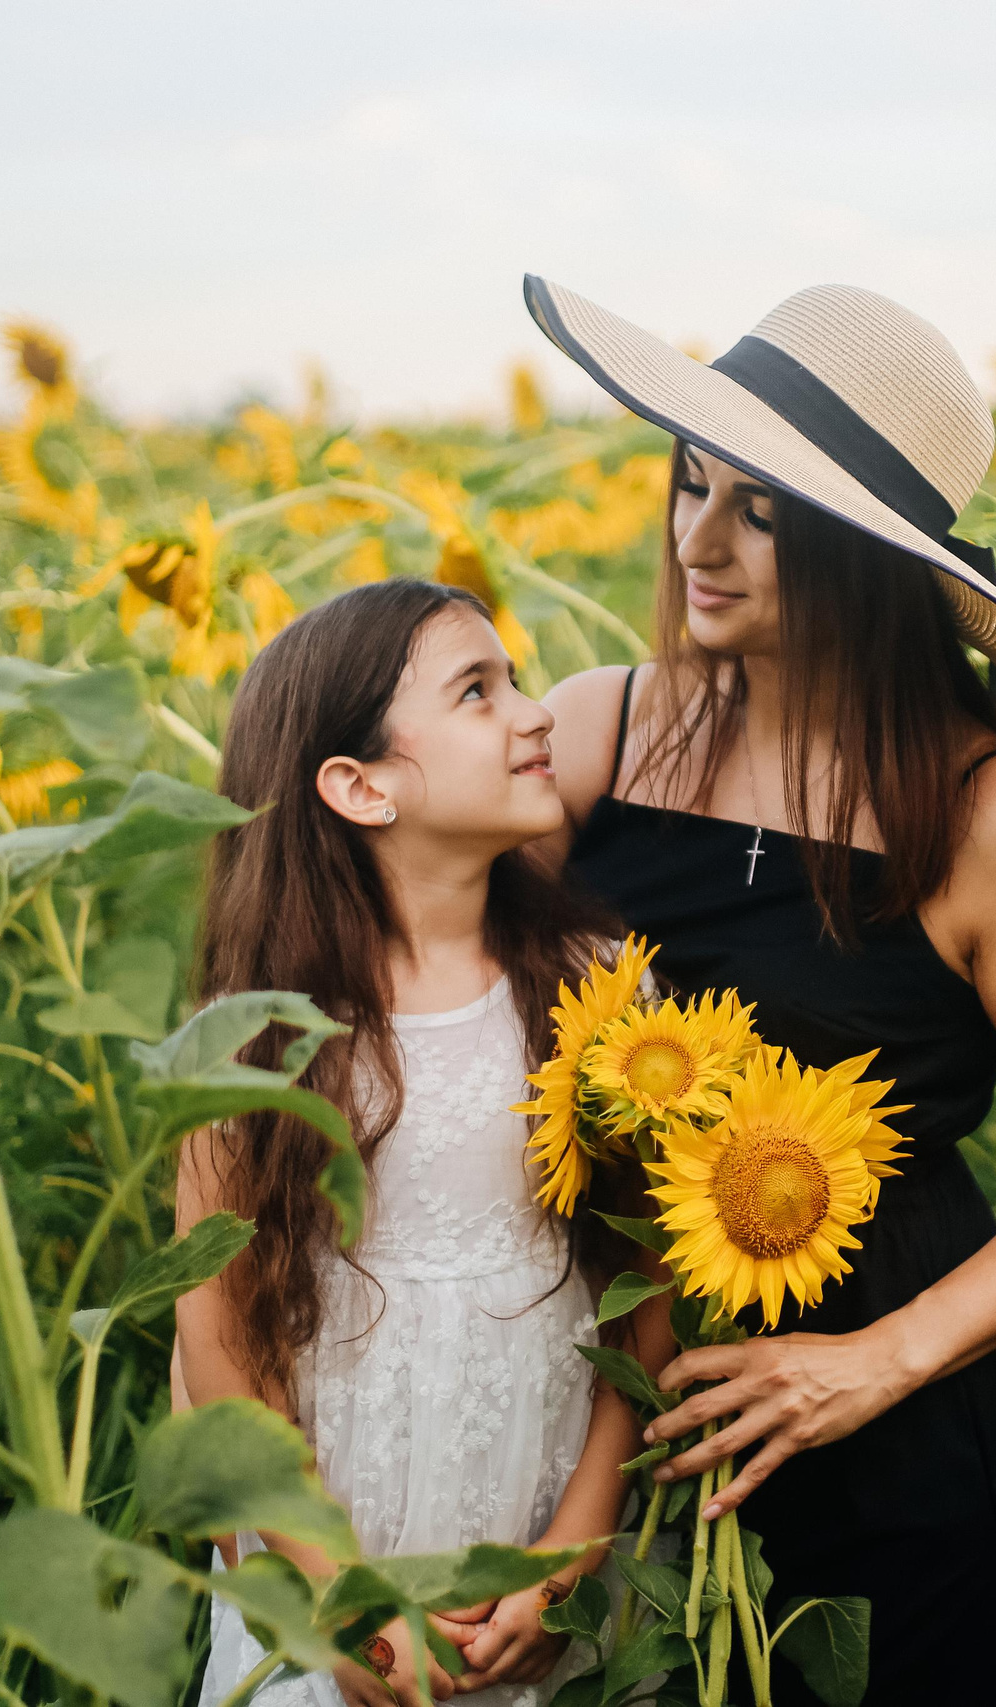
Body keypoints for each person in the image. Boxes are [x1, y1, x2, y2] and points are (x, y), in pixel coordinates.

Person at [525, 277, 996, 1703]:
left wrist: (875, 1360)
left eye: (760, 512)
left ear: (870, 557)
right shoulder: (595, 732)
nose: (698, 541)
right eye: (692, 482)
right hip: (611, 1399)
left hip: (896, 1424)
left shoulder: (991, 820)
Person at [174, 580, 642, 1706]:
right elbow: (220, 1343)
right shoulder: (257, 1035)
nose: (536, 713)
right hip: (336, 1559)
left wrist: (576, 1548)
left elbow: (647, 1288)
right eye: (477, 692)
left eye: (517, 681)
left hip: (543, 1544)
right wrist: (337, 1598)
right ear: (360, 785)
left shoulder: (598, 989)